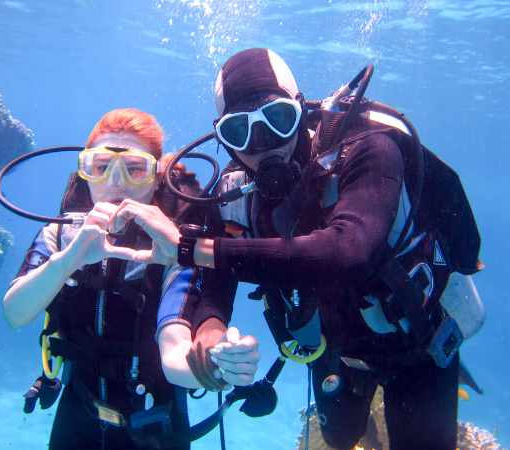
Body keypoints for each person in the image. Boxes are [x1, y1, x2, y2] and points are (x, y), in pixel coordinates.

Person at [105, 49, 483, 450]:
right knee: (339, 438)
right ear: (223, 137)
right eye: (240, 131)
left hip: (418, 347)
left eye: (278, 119)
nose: (262, 145)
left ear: (300, 110)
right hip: (334, 351)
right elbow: (214, 285)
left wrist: (190, 248)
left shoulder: (368, 148)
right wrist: (211, 333)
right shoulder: (235, 195)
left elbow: (349, 251)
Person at [2, 108, 260, 450]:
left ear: (156, 178)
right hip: (77, 416)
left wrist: (215, 365)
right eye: (101, 166)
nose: (116, 182)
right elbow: (15, 313)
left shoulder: (172, 249)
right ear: (85, 173)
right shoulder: (59, 236)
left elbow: (174, 351)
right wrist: (69, 259)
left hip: (155, 426)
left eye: (135, 169)